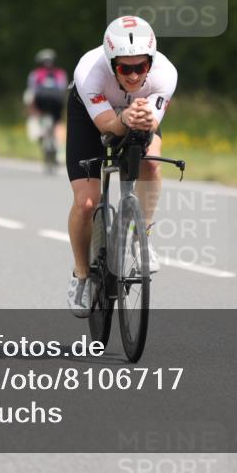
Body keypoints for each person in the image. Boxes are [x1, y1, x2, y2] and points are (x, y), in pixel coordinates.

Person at [65, 16, 177, 317]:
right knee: (87, 203)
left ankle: (143, 235)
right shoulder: (90, 71)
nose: (133, 75)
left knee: (151, 165)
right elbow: (107, 127)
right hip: (93, 118)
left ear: (151, 62)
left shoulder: (165, 73)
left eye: (141, 67)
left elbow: (151, 124)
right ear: (111, 61)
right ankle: (81, 276)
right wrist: (124, 119)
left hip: (137, 116)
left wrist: (140, 118)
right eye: (125, 68)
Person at [24, 49, 69, 162]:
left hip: (41, 100)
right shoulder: (60, 73)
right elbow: (63, 89)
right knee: (58, 122)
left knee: (33, 109)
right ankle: (61, 150)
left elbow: (32, 90)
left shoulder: (35, 74)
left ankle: (38, 132)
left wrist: (31, 108)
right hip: (56, 100)